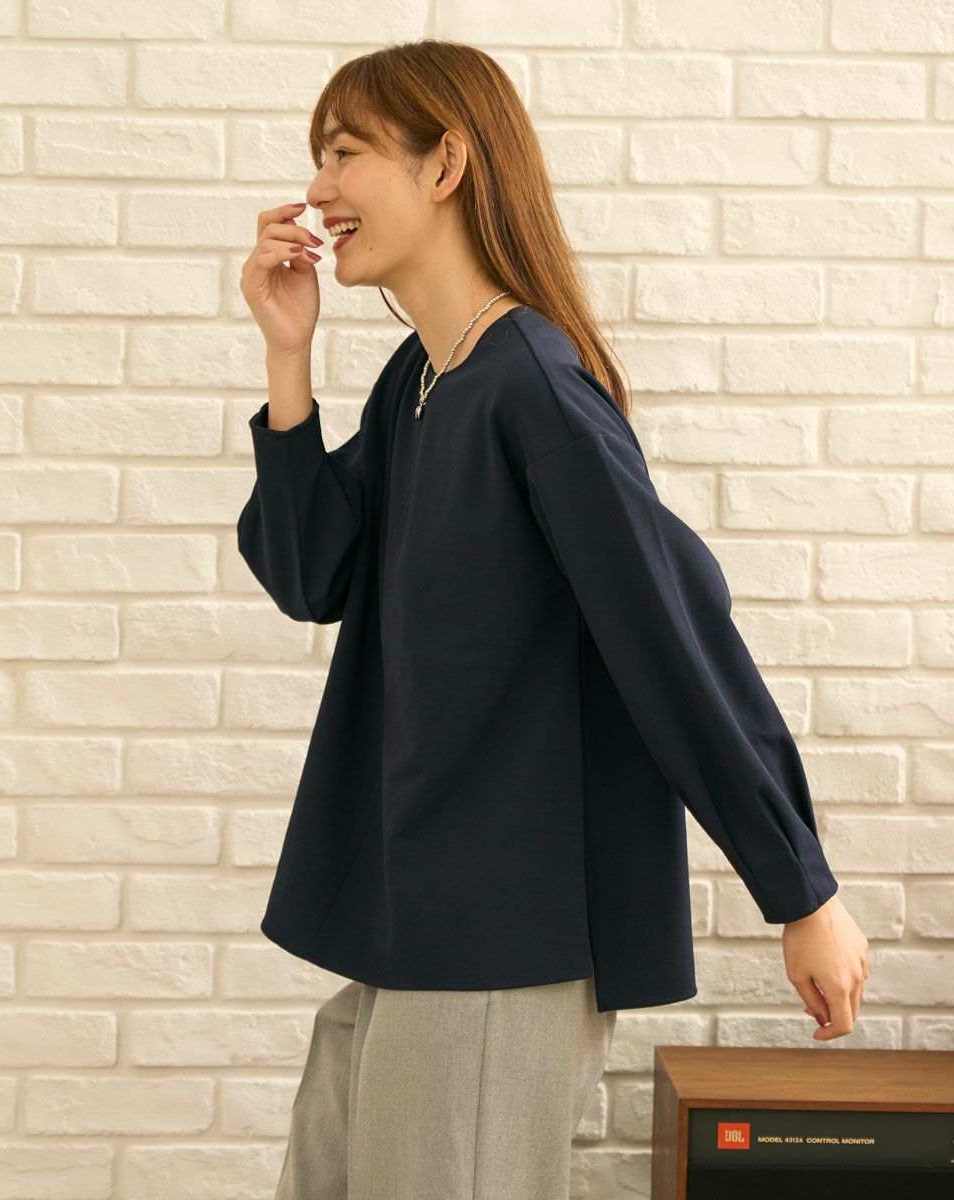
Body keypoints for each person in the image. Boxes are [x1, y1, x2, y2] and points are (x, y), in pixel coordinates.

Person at [236, 37, 870, 1200]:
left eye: (344, 151)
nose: (316, 190)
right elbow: (310, 576)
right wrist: (289, 359)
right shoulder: (424, 380)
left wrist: (801, 891)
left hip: (497, 940)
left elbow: (671, 642)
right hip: (410, 921)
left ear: (445, 165)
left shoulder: (532, 387)